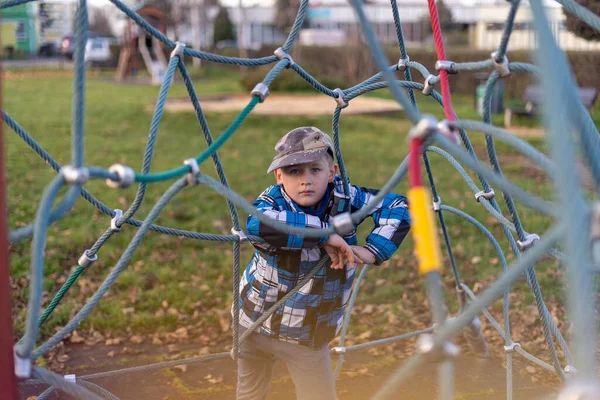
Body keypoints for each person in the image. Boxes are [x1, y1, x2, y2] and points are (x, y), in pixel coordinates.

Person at [234, 127, 411, 400]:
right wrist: (324, 235)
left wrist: (372, 250)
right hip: (255, 321)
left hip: (306, 332)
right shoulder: (273, 202)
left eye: (315, 170)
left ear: (332, 172)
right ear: (279, 176)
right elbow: (258, 224)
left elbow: (399, 205)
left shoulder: (345, 197)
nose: (306, 180)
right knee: (250, 393)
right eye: (294, 171)